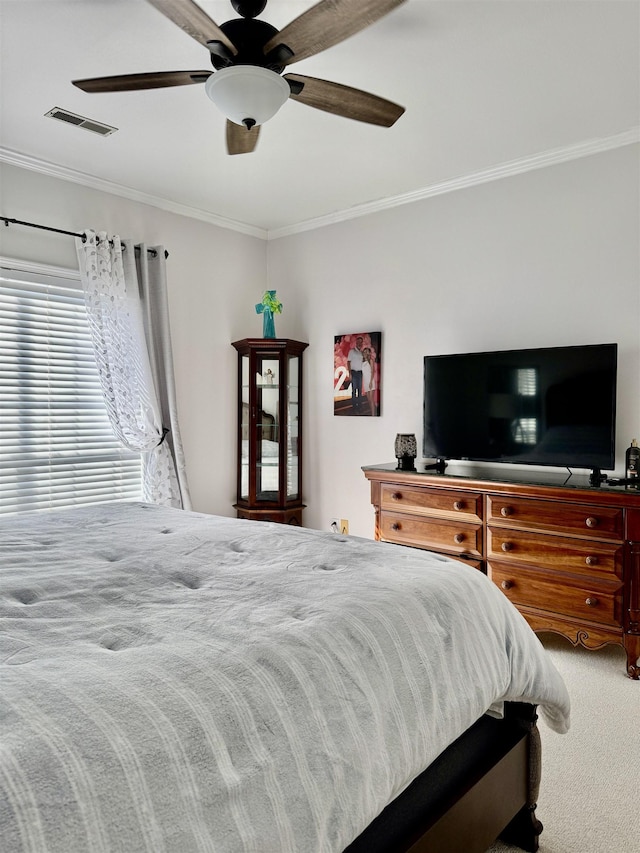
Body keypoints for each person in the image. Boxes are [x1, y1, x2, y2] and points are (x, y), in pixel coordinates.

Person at [347, 336, 364, 412]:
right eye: (358, 342)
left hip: (360, 373)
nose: (360, 343)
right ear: (356, 342)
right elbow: (348, 362)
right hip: (354, 372)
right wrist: (350, 373)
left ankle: (360, 406)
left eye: (361, 342)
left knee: (360, 390)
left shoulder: (361, 353)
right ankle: (354, 407)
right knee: (354, 390)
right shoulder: (352, 351)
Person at [362, 347, 377, 416]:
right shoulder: (362, 362)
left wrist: (371, 382)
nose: (365, 353)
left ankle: (373, 415)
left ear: (368, 353)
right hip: (365, 382)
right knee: (369, 400)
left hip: (370, 381)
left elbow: (372, 371)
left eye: (366, 352)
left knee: (371, 400)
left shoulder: (370, 360)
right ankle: (373, 412)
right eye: (364, 352)